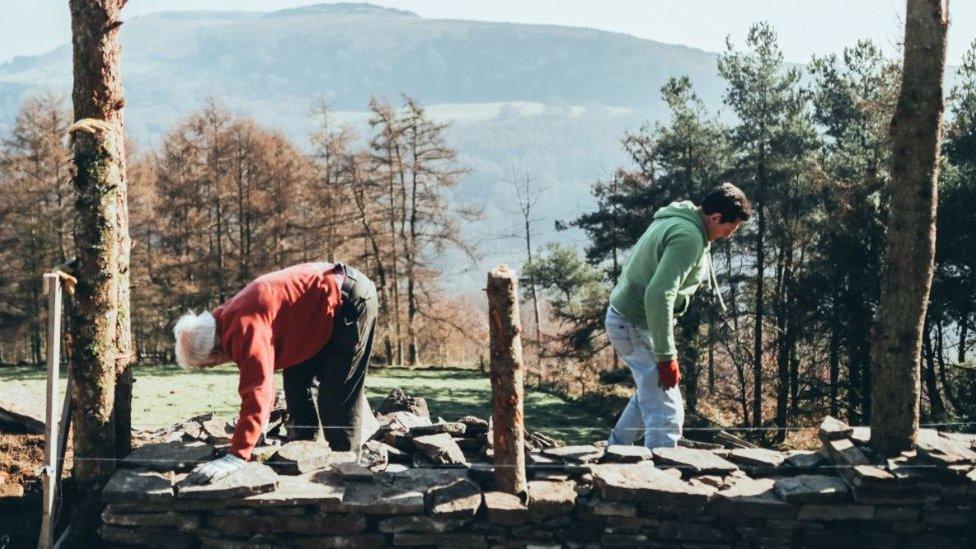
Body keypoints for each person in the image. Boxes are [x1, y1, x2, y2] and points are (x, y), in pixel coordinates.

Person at [173, 261, 378, 484]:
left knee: (337, 391)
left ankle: (347, 467)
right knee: (296, 384)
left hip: (348, 297)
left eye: (208, 364)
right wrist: (257, 428)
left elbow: (258, 390)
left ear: (214, 352)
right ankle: (301, 451)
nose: (214, 366)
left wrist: (237, 454)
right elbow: (266, 381)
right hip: (314, 310)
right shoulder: (224, 319)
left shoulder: (243, 328)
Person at [605, 183, 751, 449]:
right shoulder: (688, 236)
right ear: (715, 217)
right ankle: (662, 479)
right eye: (729, 229)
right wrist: (666, 356)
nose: (728, 236)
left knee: (650, 395)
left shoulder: (678, 220)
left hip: (625, 318)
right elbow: (658, 295)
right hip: (635, 322)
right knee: (667, 410)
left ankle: (615, 451)